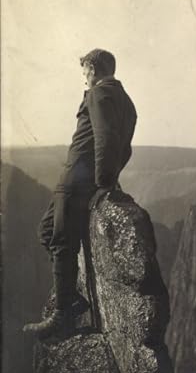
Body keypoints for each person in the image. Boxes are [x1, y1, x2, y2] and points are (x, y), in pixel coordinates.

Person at [23, 49, 137, 339]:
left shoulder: (97, 95)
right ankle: (71, 300)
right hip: (81, 180)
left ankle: (63, 316)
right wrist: (110, 179)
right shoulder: (126, 101)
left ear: (93, 69)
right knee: (47, 229)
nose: (84, 78)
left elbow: (105, 138)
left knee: (59, 240)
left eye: (85, 71)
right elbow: (125, 147)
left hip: (77, 180)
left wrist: (103, 181)